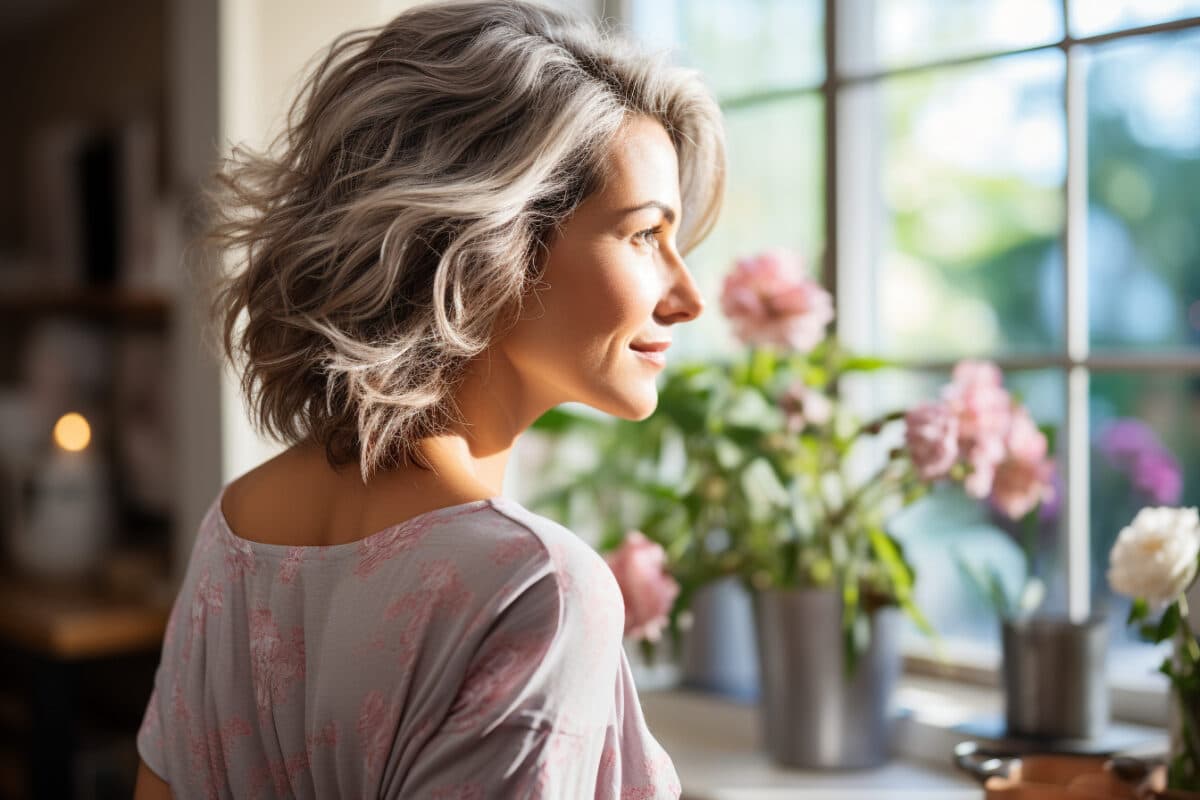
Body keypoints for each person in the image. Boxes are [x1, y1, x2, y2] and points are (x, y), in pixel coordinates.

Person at [133, 0, 724, 796]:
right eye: (645, 234)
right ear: (493, 243)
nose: (688, 296)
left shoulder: (239, 526)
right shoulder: (535, 587)